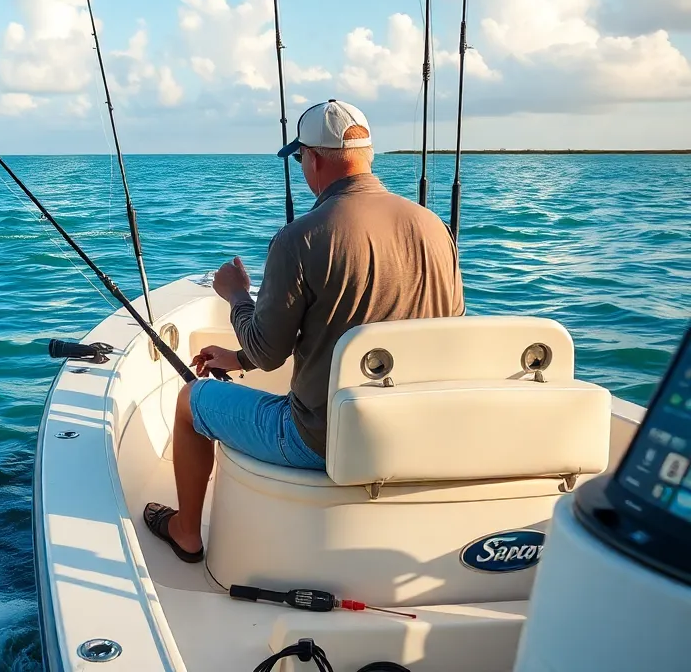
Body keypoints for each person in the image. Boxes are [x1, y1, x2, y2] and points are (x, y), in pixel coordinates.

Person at [143, 99, 465, 564]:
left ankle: (185, 532)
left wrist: (236, 296)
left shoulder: (300, 238)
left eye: (299, 159)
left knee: (189, 403)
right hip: (418, 433)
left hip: (321, 441)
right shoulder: (435, 229)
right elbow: (445, 328)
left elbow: (268, 351)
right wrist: (236, 359)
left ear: (312, 158)